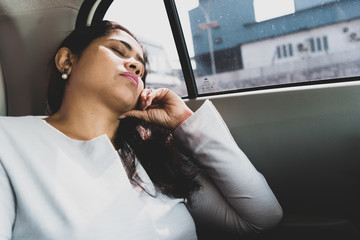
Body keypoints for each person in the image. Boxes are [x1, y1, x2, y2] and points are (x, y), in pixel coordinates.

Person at [0, 21, 282, 240]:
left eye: (141, 66)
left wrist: (185, 122)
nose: (135, 65)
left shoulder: (151, 158)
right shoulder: (8, 141)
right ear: (67, 61)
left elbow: (261, 217)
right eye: (118, 50)